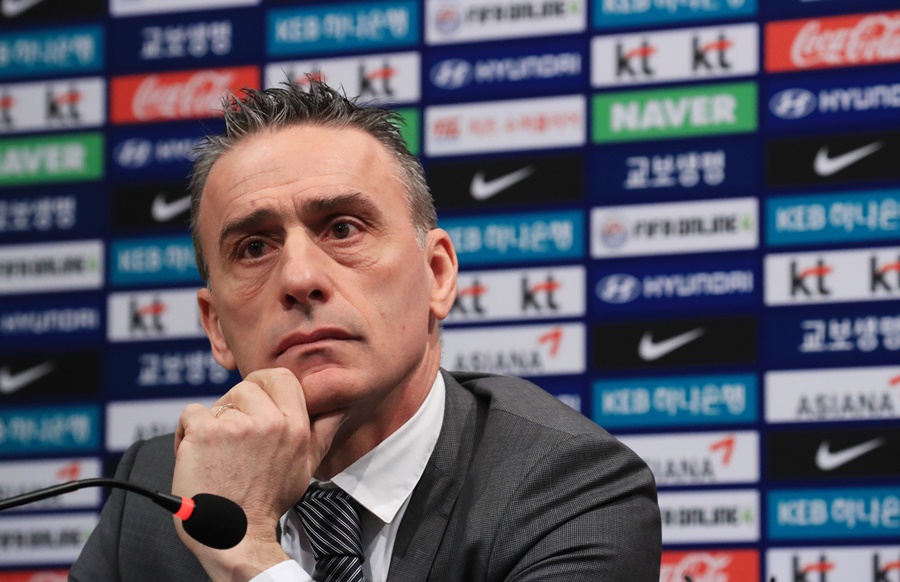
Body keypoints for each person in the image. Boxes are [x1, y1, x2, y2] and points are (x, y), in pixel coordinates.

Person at [69, 80, 661, 582]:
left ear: (436, 275)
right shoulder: (159, 489)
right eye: (254, 247)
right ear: (216, 326)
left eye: (342, 228)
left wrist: (247, 553)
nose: (299, 278)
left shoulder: (570, 487)